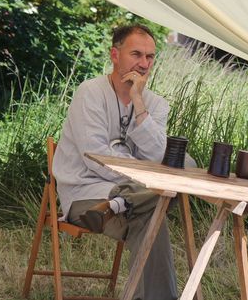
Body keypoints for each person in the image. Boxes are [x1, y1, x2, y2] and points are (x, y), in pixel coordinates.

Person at [53, 24, 193, 300]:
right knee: (158, 210)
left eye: (150, 57)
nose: (143, 64)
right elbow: (95, 158)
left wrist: (138, 102)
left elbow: (160, 156)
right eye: (136, 54)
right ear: (115, 55)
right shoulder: (90, 92)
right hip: (87, 195)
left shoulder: (156, 104)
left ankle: (124, 201)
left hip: (119, 202)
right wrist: (146, 179)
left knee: (186, 166)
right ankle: (128, 200)